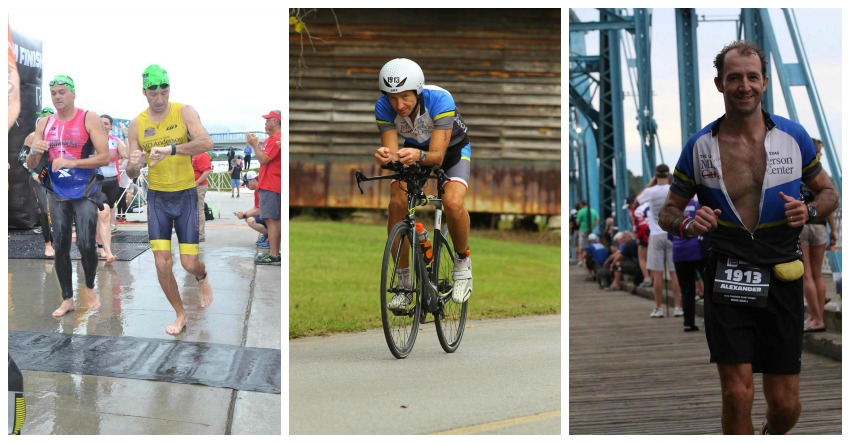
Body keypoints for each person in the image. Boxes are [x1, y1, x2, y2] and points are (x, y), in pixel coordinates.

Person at [658, 41, 839, 435]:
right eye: (734, 78)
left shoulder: (794, 137)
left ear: (765, 82)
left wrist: (808, 211)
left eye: (752, 77)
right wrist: (689, 224)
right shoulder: (699, 147)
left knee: (786, 404)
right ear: (719, 84)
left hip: (782, 274)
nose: (744, 86)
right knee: (737, 395)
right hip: (727, 272)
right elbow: (667, 212)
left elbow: (829, 194)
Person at [373, 58, 473, 307]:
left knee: (451, 202)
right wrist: (386, 157)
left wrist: (418, 155)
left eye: (405, 97)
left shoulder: (440, 100)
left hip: (451, 153)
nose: (399, 104)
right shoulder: (383, 107)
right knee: (396, 203)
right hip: (414, 152)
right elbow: (393, 153)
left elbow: (437, 156)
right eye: (392, 98)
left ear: (417, 90)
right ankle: (404, 285)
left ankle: (462, 265)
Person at [125, 64, 215, 335]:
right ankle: (180, 313)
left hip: (185, 195)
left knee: (188, 264)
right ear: (145, 92)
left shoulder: (184, 111)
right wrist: (134, 162)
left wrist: (172, 149)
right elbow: (131, 172)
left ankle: (202, 275)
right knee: (161, 262)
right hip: (158, 199)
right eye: (154, 93)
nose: (160, 99)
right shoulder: (136, 124)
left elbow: (206, 142)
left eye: (165, 92)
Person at [26, 74, 110, 317]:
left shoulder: (88, 117)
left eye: (62, 92)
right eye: (53, 93)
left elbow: (104, 157)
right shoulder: (44, 123)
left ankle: (90, 287)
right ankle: (67, 299)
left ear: (73, 93)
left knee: (85, 243)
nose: (57, 96)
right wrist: (34, 151)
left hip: (84, 190)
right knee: (61, 247)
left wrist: (73, 164)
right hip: (58, 192)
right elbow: (32, 163)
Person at [632, 164, 682, 318]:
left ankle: (659, 307)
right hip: (672, 234)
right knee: (674, 273)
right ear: (668, 175)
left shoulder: (650, 191)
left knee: (657, 273)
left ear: (656, 175)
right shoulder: (672, 190)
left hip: (655, 234)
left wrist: (650, 185)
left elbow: (635, 203)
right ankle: (678, 308)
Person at [800, 138, 838, 333]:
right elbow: (828, 205)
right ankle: (818, 316)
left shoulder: (798, 170)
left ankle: (816, 319)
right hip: (820, 227)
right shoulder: (820, 175)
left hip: (803, 227)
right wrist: (834, 231)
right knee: (818, 275)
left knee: (807, 274)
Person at [246, 110, 282, 265]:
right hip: (272, 185)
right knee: (275, 220)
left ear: (276, 121)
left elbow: (263, 159)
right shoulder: (272, 140)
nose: (265, 123)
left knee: (272, 221)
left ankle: (274, 256)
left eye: (268, 120)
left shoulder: (277, 139)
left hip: (271, 185)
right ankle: (276, 253)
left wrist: (255, 146)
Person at [22, 108, 57, 257]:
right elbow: (21, 158)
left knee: (59, 211)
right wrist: (33, 173)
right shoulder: (32, 137)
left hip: (55, 177)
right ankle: (47, 245)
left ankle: (56, 242)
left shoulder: (56, 135)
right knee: (45, 210)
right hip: (39, 177)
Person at [670, 198, 707, 332]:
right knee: (708, 287)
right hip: (697, 250)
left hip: (679, 253)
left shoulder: (673, 208)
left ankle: (688, 323)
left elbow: (670, 233)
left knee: (687, 290)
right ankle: (709, 319)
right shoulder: (698, 204)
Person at [95, 114, 128, 262]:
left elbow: (127, 154)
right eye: (100, 123)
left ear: (110, 126)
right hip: (98, 182)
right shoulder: (92, 141)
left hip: (113, 183)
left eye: (106, 123)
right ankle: (107, 251)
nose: (103, 126)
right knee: (104, 213)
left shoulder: (116, 141)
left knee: (105, 217)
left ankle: (101, 245)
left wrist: (125, 133)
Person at [234, 171, 269, 247]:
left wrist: (244, 215)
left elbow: (259, 210)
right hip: (267, 215)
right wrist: (245, 213)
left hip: (270, 216)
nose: (246, 186)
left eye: (246, 183)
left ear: (252, 180)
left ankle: (270, 237)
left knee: (250, 220)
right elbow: (256, 207)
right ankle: (267, 235)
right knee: (248, 218)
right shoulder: (257, 190)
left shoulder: (260, 190)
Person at [192, 151, 213, 242]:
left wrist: (197, 182)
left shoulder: (202, 155)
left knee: (199, 209)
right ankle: (192, 232)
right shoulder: (191, 154)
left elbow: (207, 171)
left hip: (199, 186)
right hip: (189, 185)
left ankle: (200, 234)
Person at [575, 200, 598, 268]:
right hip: (591, 230)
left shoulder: (580, 211)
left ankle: (582, 260)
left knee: (582, 246)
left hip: (583, 230)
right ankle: (593, 258)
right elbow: (597, 220)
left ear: (582, 205)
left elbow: (578, 222)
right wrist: (593, 226)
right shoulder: (593, 211)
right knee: (592, 245)